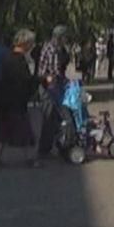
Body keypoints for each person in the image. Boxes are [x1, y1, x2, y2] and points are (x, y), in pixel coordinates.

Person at [0, 29, 40, 168]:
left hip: (5, 99)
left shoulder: (8, 57)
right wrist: (39, 80)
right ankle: (29, 158)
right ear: (25, 43)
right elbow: (24, 80)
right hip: (16, 101)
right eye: (31, 43)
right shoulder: (19, 60)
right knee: (24, 129)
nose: (32, 45)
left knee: (2, 128)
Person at [38, 24, 68, 156]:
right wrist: (49, 79)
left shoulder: (58, 49)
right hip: (48, 88)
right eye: (64, 37)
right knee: (49, 118)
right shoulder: (50, 49)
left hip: (56, 86)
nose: (66, 40)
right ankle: (44, 149)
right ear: (59, 37)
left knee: (57, 117)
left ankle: (58, 144)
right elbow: (43, 72)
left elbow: (59, 70)